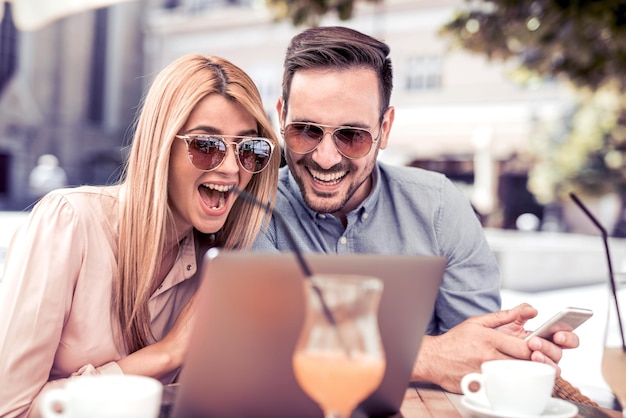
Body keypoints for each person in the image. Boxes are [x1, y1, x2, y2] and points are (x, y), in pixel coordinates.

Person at [252, 26, 579, 393]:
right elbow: (259, 350)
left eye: (352, 136)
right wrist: (428, 356)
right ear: (281, 118)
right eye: (306, 131)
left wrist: (513, 352)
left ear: (385, 128)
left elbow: (474, 355)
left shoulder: (438, 206)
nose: (326, 158)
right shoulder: (254, 208)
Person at [0, 53, 280, 417]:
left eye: (249, 148)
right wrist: (168, 352)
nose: (230, 168)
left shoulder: (225, 266)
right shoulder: (70, 222)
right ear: (160, 146)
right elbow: (11, 407)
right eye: (206, 146)